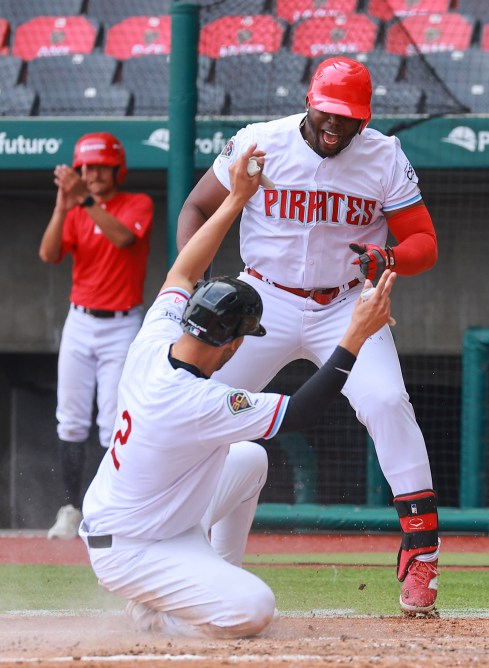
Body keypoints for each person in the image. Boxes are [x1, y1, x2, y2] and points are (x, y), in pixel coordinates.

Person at [80, 145, 398, 638]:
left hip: (152, 521)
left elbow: (183, 272)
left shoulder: (156, 337)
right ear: (229, 346)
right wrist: (353, 335)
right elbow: (301, 412)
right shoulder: (197, 402)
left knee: (249, 458)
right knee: (253, 610)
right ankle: (164, 618)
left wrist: (234, 199)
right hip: (131, 548)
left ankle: (212, 573)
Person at [176, 56, 441, 616]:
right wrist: (194, 277)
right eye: (329, 112)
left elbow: (424, 242)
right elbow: (199, 203)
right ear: (309, 100)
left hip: (345, 303)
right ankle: (176, 543)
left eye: (349, 117)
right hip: (263, 299)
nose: (336, 125)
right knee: (197, 410)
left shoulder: (384, 154)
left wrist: (389, 255)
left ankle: (422, 552)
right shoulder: (259, 140)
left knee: (388, 400)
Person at [37, 132, 153, 541]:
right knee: (70, 419)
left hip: (122, 323)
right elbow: (49, 255)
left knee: (112, 421)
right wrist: (62, 204)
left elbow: (124, 238)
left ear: (116, 168)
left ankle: (104, 511)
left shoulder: (137, 203)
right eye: (86, 167)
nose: (92, 173)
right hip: (80, 319)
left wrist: (84, 199)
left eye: (100, 166)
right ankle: (69, 509)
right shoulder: (75, 208)